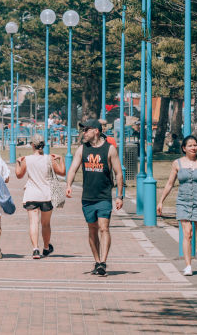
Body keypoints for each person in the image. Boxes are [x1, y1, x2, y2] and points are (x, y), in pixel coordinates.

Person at [65, 118, 124, 276]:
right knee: (92, 230)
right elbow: (73, 169)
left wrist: (119, 195)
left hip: (104, 196)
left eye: (86, 130)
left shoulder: (109, 149)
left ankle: (103, 262)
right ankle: (97, 261)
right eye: (83, 130)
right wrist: (68, 185)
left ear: (96, 131)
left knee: (104, 228)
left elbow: (118, 173)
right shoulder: (82, 149)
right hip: (88, 197)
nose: (83, 133)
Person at [157, 135, 197, 275]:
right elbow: (170, 183)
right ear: (184, 148)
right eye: (190, 145)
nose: (193, 148)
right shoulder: (177, 163)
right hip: (183, 202)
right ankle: (188, 265)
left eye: (195, 145)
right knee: (187, 234)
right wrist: (161, 201)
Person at [15, 133, 65, 259]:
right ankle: (46, 247)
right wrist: (61, 159)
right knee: (46, 223)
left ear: (32, 145)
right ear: (44, 145)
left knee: (33, 222)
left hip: (31, 194)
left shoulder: (27, 159)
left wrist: (18, 163)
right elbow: (62, 172)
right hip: (46, 195)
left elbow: (19, 175)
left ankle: (35, 249)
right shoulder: (50, 159)